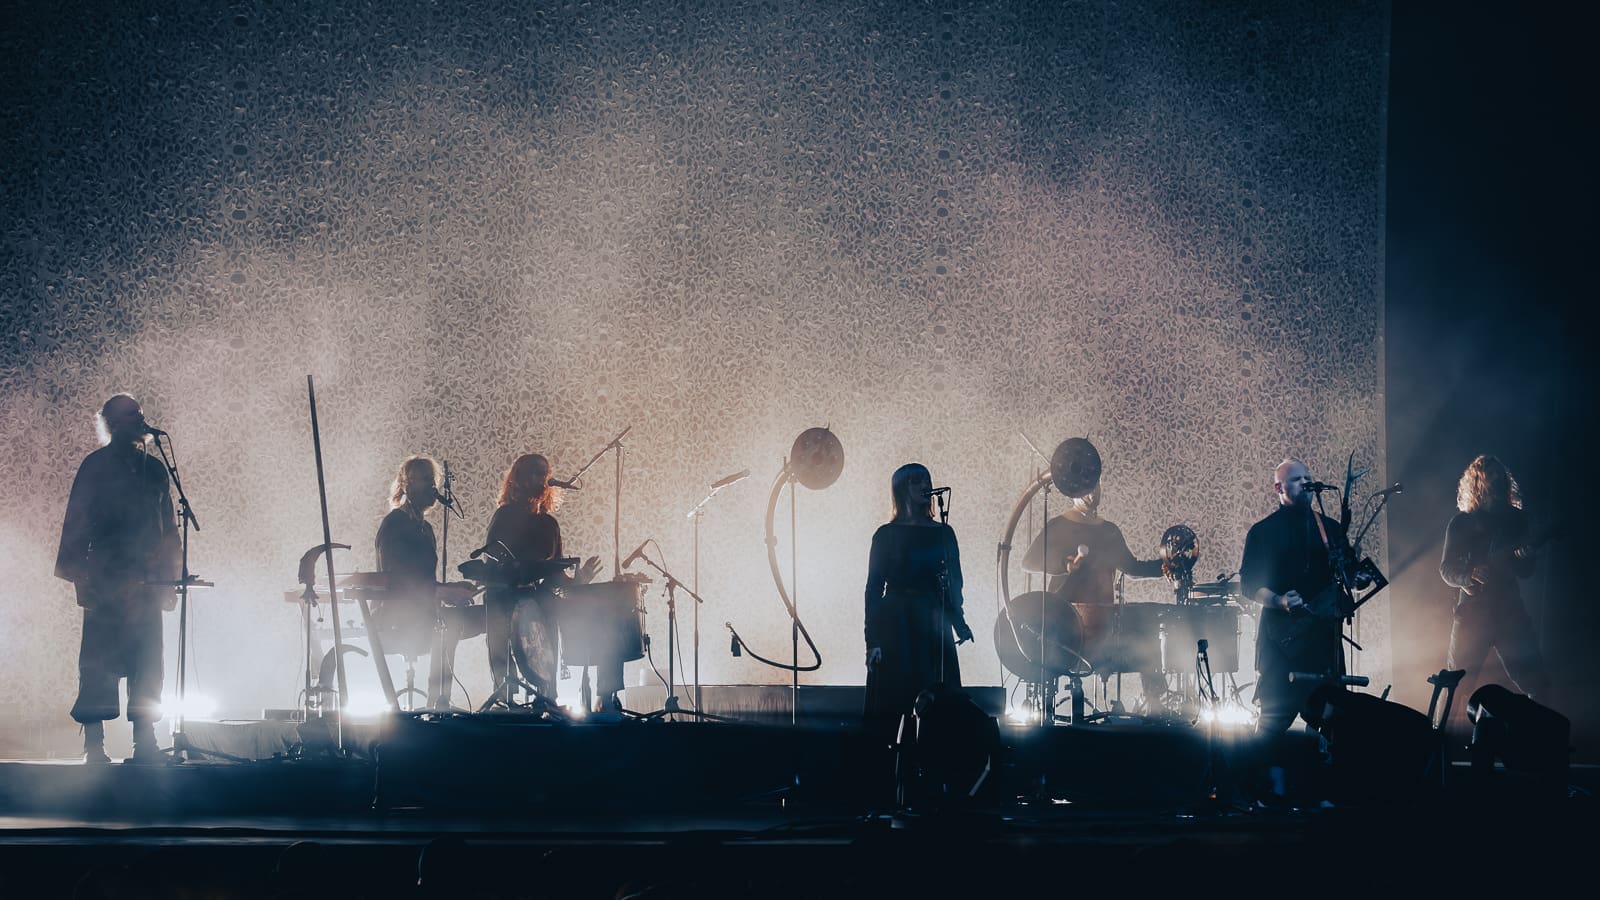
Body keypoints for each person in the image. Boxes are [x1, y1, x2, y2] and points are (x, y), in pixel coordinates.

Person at [54, 393, 180, 764]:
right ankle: (94, 746)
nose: (139, 421)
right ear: (111, 423)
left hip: (146, 581)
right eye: (130, 416)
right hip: (106, 580)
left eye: (140, 414)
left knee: (148, 661)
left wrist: (171, 578)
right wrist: (81, 581)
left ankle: (146, 742)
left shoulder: (155, 469)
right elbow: (75, 526)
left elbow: (169, 527)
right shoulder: (94, 467)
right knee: (98, 662)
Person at [1239, 458, 1352, 801]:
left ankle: (1323, 791)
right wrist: (1278, 600)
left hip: (1322, 639)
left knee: (1331, 719)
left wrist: (1356, 579)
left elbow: (1347, 573)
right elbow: (1248, 586)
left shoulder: (1329, 528)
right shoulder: (1263, 531)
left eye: (1308, 478)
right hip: (1280, 642)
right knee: (1273, 720)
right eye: (1296, 480)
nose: (1305, 484)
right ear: (1279, 488)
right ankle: (1262, 793)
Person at [1019, 483, 1168, 710]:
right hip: (1063, 620)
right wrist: (1063, 563)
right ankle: (1044, 712)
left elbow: (1132, 567)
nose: (1092, 493)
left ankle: (1156, 708)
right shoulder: (1057, 525)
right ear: (1072, 489)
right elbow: (1028, 562)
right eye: (1086, 487)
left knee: (1145, 628)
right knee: (1049, 645)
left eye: (1095, 486)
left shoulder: (1109, 530)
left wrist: (1165, 566)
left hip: (1102, 620)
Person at [480, 453, 602, 708]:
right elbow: (491, 564)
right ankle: (503, 696)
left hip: (540, 598)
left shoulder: (549, 523)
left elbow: (555, 576)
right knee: (501, 605)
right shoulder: (505, 516)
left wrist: (579, 579)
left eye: (544, 474)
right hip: (507, 596)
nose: (542, 479)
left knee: (552, 606)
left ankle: (547, 695)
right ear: (519, 480)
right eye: (535, 473)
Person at [862, 463, 974, 739]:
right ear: (902, 490)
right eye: (916, 481)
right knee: (896, 700)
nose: (925, 485)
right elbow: (873, 589)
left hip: (932, 621)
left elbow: (955, 584)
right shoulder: (885, 534)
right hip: (895, 624)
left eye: (927, 480)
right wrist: (872, 640)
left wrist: (958, 621)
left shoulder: (944, 533)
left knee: (939, 698)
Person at [1440, 454, 1549, 712]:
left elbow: (1526, 571)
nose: (1499, 479)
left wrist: (1527, 557)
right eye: (1492, 475)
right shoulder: (1461, 522)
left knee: (1536, 683)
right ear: (1478, 482)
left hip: (1510, 612)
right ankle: (1439, 748)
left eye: (1502, 475)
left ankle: (1539, 742)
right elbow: (1446, 569)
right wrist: (1467, 577)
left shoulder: (1518, 520)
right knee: (1456, 687)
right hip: (1472, 615)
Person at [373, 455, 483, 709]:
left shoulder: (425, 528)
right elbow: (398, 579)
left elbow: (423, 579)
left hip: (421, 611)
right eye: (425, 480)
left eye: (433, 480)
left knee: (481, 618)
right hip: (396, 616)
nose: (433, 487)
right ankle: (438, 702)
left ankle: (440, 700)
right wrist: (443, 592)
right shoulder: (395, 523)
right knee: (450, 626)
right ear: (406, 483)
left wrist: (453, 589)